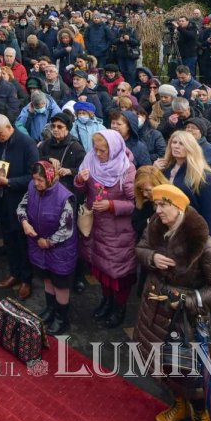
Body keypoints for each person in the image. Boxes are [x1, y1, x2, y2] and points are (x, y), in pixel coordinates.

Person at [133, 184, 211, 421]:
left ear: (178, 207)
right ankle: (179, 406)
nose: (158, 210)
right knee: (164, 368)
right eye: (156, 204)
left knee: (188, 373)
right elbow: (141, 249)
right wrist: (152, 258)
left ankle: (199, 414)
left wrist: (186, 301)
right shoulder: (156, 226)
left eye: (163, 205)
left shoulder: (203, 243)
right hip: (154, 311)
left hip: (185, 321)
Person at [74, 129, 137, 329]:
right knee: (100, 268)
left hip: (117, 232)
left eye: (103, 151)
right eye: (96, 149)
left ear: (115, 149)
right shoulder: (91, 160)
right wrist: (80, 181)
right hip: (96, 226)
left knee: (116, 273)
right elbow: (83, 190)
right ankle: (106, 301)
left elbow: (136, 203)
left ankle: (119, 307)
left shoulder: (126, 170)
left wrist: (111, 205)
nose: (98, 154)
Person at [18, 161, 79, 335]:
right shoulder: (32, 188)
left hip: (60, 249)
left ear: (50, 178)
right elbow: (21, 206)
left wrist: (49, 241)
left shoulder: (64, 197)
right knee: (46, 277)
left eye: (40, 180)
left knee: (60, 284)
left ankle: (62, 318)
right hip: (39, 245)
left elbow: (67, 229)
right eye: (34, 179)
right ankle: (50, 309)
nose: (36, 183)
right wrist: (24, 222)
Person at [0, 114, 38, 300]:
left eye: (0, 134)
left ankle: (26, 279)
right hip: (0, 200)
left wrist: (10, 182)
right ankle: (14, 273)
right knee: (8, 239)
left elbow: (34, 176)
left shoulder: (27, 144)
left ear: (9, 127)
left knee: (22, 242)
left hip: (19, 201)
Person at [155, 131, 211, 239]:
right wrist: (155, 173)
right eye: (174, 142)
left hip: (190, 232)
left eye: (181, 144)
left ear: (191, 147)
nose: (176, 146)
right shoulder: (165, 170)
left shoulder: (205, 176)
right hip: (166, 229)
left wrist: (206, 243)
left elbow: (210, 215)